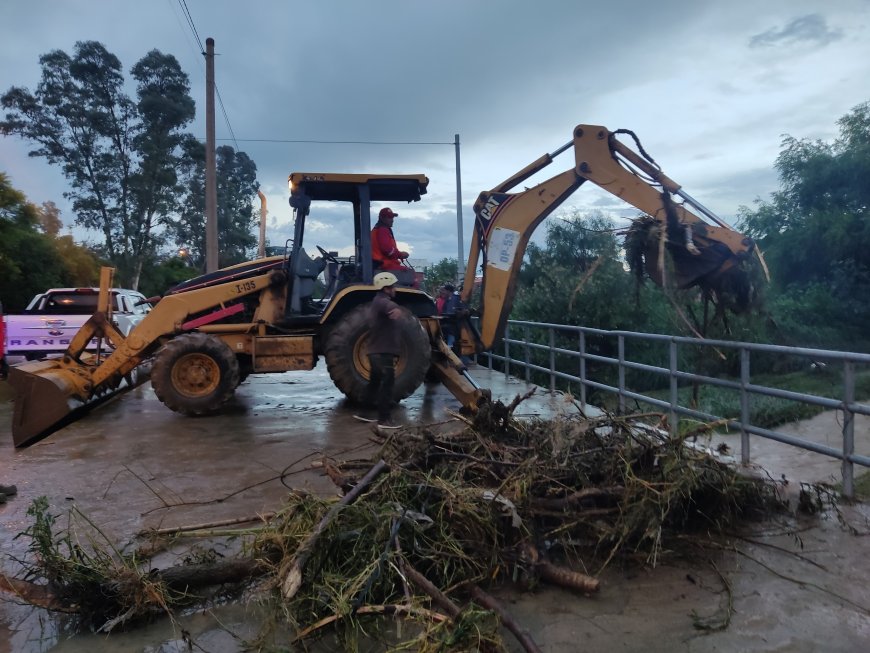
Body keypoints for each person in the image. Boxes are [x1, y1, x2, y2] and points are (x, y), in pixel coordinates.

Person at [363, 272, 404, 427]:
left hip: (375, 351)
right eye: (393, 286)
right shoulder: (383, 301)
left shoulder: (376, 300)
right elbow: (389, 306)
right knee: (387, 384)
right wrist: (397, 309)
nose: (395, 289)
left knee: (374, 383)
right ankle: (384, 419)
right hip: (383, 353)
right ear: (386, 288)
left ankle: (364, 413)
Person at [437, 283, 460, 348]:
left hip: (454, 328)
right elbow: (444, 312)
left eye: (444, 290)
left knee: (451, 347)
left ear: (448, 291)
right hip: (447, 328)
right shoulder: (447, 300)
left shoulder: (456, 299)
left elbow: (453, 312)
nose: (443, 292)